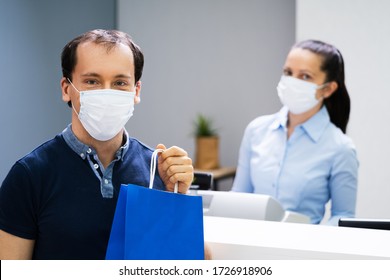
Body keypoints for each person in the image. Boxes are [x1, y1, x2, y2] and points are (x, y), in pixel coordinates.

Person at [0, 29, 196, 259]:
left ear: (136, 91)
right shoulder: (30, 175)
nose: (107, 93)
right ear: (66, 89)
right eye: (92, 81)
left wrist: (177, 197)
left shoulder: (157, 171)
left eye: (120, 82)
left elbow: (183, 263)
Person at [231, 39, 358, 225]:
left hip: (300, 250)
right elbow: (238, 198)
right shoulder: (256, 130)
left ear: (328, 89)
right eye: (288, 73)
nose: (292, 82)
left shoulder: (341, 148)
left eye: (305, 76)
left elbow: (343, 216)